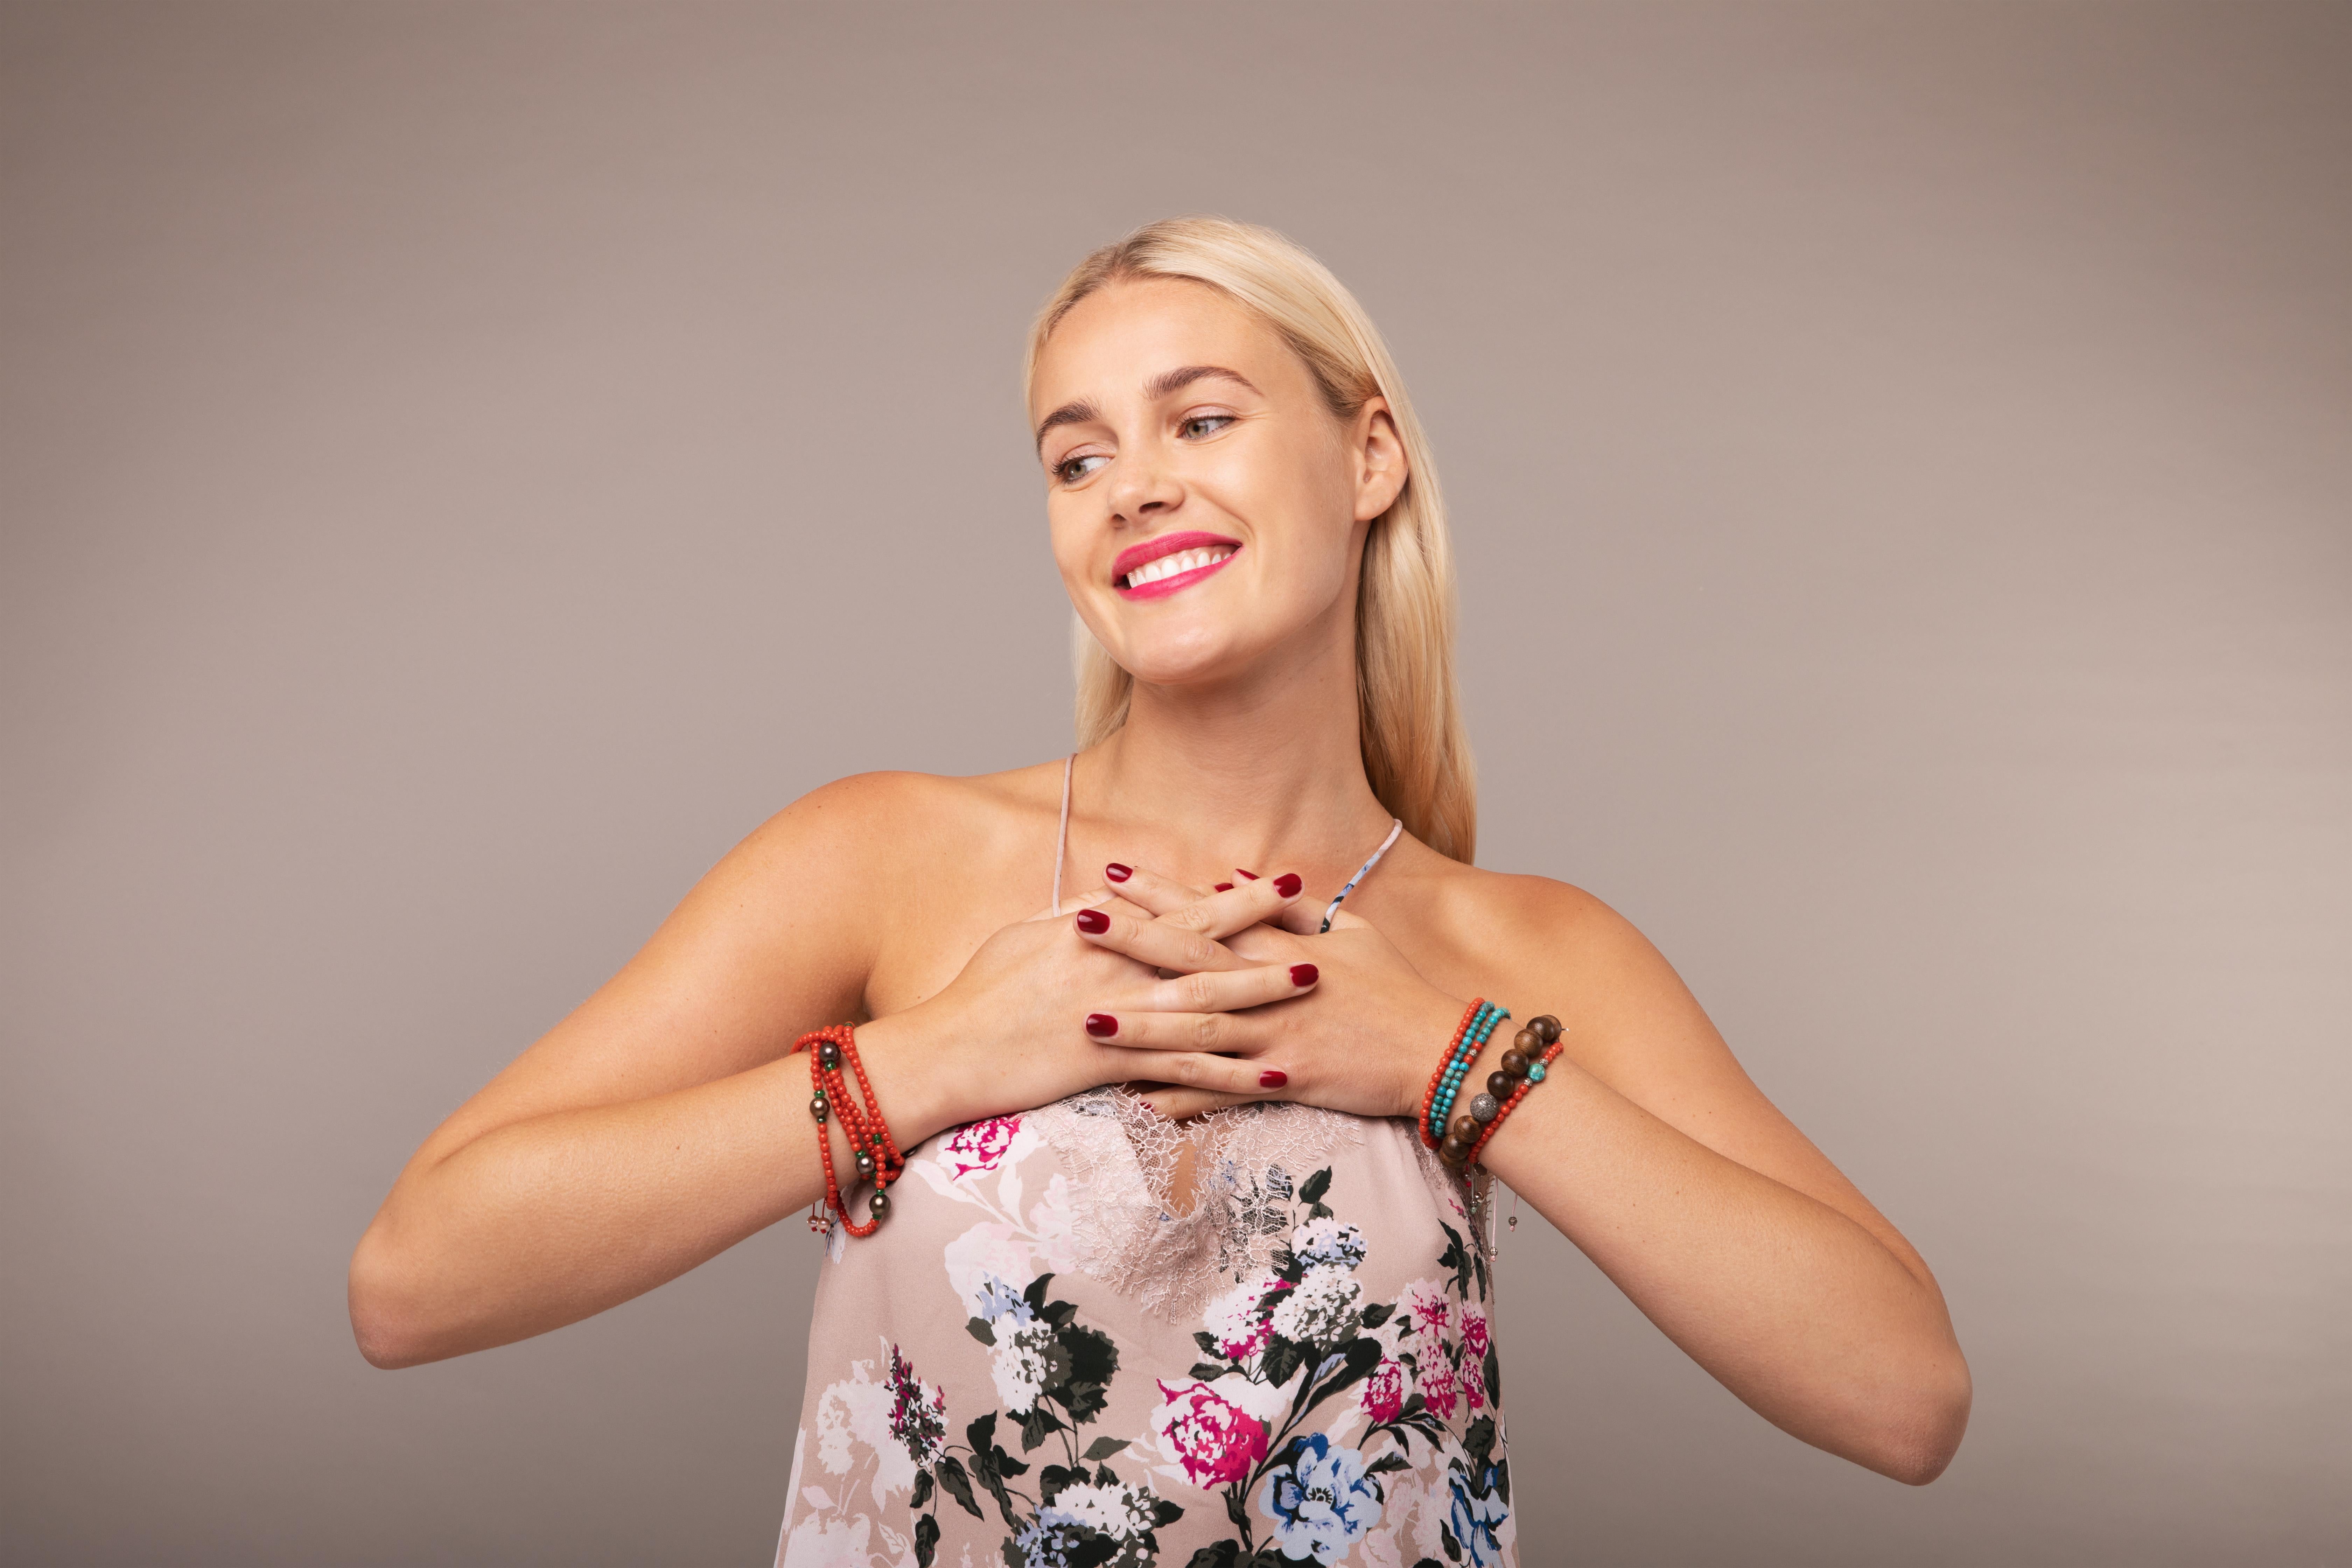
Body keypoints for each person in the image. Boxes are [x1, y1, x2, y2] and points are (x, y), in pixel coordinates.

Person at [349, 217, 1970, 1566]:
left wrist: (1449, 1064)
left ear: (1371, 456)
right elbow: (415, 1279)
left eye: (1200, 420)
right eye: (1077, 453)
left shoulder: (1523, 952)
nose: (1131, 485)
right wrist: (935, 1061)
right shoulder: (886, 857)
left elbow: (1904, 1396)